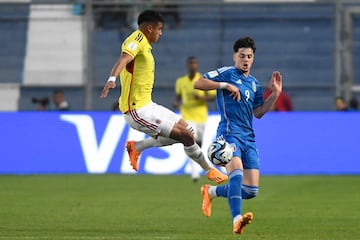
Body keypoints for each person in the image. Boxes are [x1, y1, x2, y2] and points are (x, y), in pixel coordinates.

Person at [100, 10, 227, 184]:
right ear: (149, 28)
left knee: (187, 131)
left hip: (149, 105)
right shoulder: (136, 40)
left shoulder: (144, 43)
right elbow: (123, 59)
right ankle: (209, 171)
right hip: (136, 111)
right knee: (187, 138)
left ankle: (137, 147)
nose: (161, 33)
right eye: (159, 29)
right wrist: (112, 79)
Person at [194, 36, 282, 235]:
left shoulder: (254, 84)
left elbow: (258, 112)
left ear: (253, 59)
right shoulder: (227, 73)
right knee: (236, 173)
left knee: (251, 191)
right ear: (235, 56)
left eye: (249, 56)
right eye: (242, 55)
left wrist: (275, 94)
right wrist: (225, 86)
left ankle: (210, 191)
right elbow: (199, 83)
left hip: (248, 138)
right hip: (228, 133)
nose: (245, 60)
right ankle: (236, 219)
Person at [172, 56, 216, 182]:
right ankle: (194, 171)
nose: (193, 65)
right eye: (191, 63)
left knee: (199, 144)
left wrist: (201, 98)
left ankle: (196, 165)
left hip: (201, 116)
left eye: (194, 63)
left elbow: (212, 97)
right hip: (187, 116)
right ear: (187, 65)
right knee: (191, 141)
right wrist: (175, 102)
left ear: (197, 65)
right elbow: (178, 96)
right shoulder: (181, 81)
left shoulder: (203, 79)